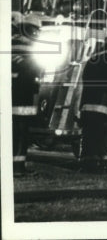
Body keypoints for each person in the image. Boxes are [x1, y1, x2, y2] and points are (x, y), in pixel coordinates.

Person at [78, 38, 107, 173]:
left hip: (87, 103)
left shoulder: (93, 60)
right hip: (105, 104)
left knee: (89, 134)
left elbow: (85, 81)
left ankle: (87, 164)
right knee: (105, 134)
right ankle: (105, 164)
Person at [11, 12, 42, 176]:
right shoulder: (31, 45)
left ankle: (12, 166)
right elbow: (36, 69)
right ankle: (18, 167)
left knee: (12, 130)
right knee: (22, 130)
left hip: (10, 93)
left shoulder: (10, 41)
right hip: (24, 94)